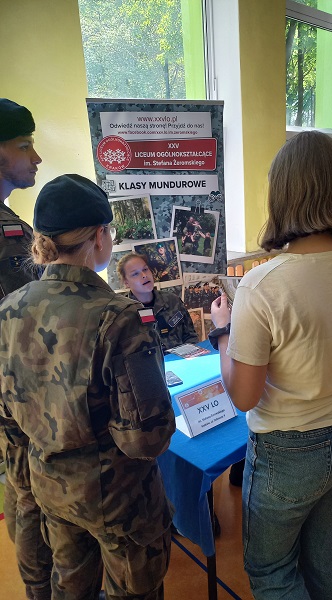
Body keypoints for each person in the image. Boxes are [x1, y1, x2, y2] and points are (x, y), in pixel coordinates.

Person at [210, 131, 332, 600]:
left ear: (281, 193)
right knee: (322, 550)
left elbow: (244, 396)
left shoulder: (262, 285)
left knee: (271, 570)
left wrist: (223, 333)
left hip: (290, 449)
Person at [0, 174, 176, 600]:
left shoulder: (8, 309)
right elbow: (147, 439)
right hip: (119, 501)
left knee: (70, 587)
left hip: (50, 488)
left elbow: (8, 416)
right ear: (99, 236)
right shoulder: (119, 317)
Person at [0, 98, 52, 600]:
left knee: (21, 487)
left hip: (13, 389)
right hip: (19, 391)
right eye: (23, 146)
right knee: (30, 493)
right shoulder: (7, 231)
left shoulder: (10, 220)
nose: (35, 157)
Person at [117, 251, 198, 351]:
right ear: (126, 282)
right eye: (135, 274)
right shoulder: (123, 314)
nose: (144, 275)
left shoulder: (172, 301)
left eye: (145, 269)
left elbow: (191, 337)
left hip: (181, 359)